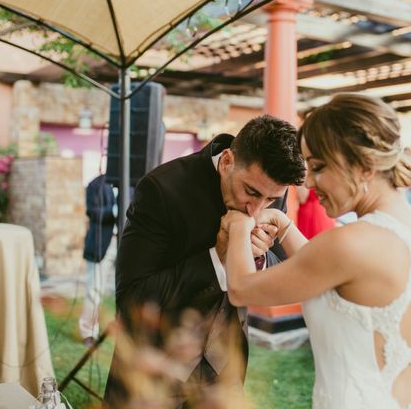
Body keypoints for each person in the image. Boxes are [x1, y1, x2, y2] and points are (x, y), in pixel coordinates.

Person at [221, 94, 411, 409]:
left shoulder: (349, 243)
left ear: (362, 166)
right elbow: (331, 278)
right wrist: (284, 226)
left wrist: (238, 226)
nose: (310, 184)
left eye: (318, 167)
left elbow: (240, 288)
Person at [104, 115, 305, 407]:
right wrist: (218, 258)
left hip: (226, 366)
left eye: (271, 200)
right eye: (250, 192)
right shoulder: (161, 189)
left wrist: (259, 259)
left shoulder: (269, 192)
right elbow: (132, 299)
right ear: (227, 162)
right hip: (155, 367)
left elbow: (284, 268)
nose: (256, 210)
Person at [78, 173, 116, 346]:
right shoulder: (95, 184)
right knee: (95, 289)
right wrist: (116, 211)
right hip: (102, 244)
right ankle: (89, 332)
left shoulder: (133, 183)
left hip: (126, 241)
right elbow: (92, 212)